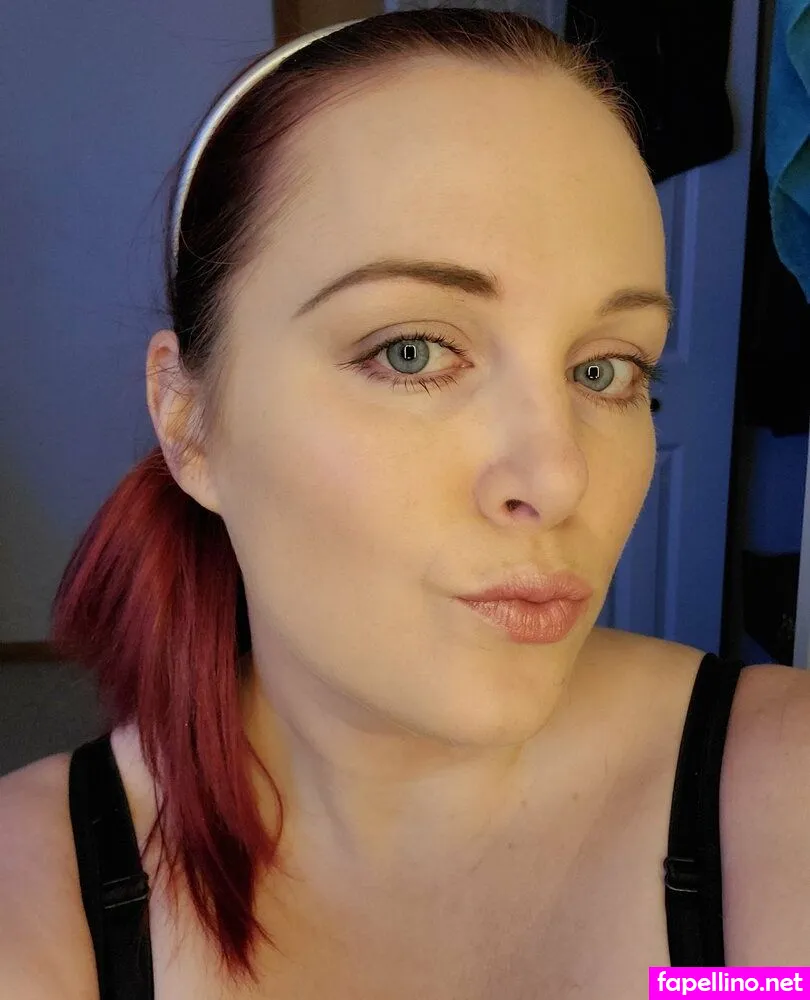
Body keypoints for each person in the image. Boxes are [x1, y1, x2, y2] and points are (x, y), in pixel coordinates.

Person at [2, 9, 809, 999]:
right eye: (412, 352)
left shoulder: (785, 788)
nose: (558, 479)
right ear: (188, 419)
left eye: (605, 369)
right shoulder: (34, 901)